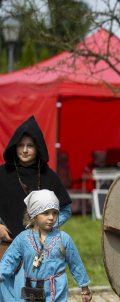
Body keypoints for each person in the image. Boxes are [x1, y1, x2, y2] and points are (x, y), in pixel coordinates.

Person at [0, 116, 72, 301]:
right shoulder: (2, 173)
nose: (24, 150)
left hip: (39, 251)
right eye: (20, 145)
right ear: (14, 146)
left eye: (30, 145)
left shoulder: (49, 176)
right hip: (4, 247)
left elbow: (65, 210)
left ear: (37, 147)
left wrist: (44, 228)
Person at [0, 189, 91, 301]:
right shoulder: (22, 239)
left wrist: (85, 288)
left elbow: (76, 264)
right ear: (34, 214)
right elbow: (9, 260)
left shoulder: (63, 239)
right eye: (46, 213)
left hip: (56, 292)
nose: (51, 217)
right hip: (31, 291)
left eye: (55, 212)